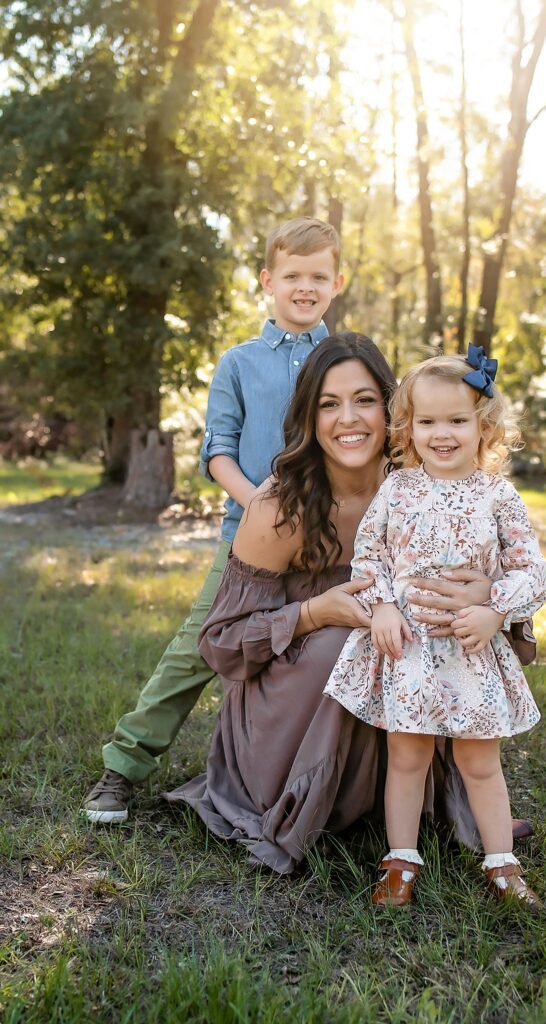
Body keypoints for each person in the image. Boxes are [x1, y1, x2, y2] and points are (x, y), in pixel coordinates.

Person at [166, 335, 530, 874]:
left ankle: (413, 802)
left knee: (423, 637)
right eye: (328, 404)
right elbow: (220, 646)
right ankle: (322, 798)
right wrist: (316, 612)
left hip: (411, 672)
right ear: (309, 417)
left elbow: (515, 578)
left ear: (393, 411)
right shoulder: (278, 507)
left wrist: (483, 592)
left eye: (364, 400)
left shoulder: (422, 487)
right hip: (288, 709)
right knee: (349, 642)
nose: (348, 419)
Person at [81, 216, 344, 822]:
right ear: (267, 280)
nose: (305, 287)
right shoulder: (239, 362)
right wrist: (259, 507)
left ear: (337, 282)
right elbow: (217, 450)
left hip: (330, 541)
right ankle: (123, 765)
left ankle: (319, 780)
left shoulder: (342, 359)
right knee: (198, 647)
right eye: (293, 275)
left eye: (318, 276)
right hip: (248, 541)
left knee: (326, 651)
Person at [324, 348, 546, 906]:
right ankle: (401, 860)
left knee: (478, 759)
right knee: (407, 757)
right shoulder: (397, 489)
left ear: (484, 426)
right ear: (408, 427)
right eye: (427, 421)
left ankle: (502, 864)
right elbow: (369, 558)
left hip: (471, 648)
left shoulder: (497, 495)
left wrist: (496, 607)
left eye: (456, 420)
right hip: (411, 651)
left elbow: (532, 571)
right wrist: (381, 608)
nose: (441, 434)